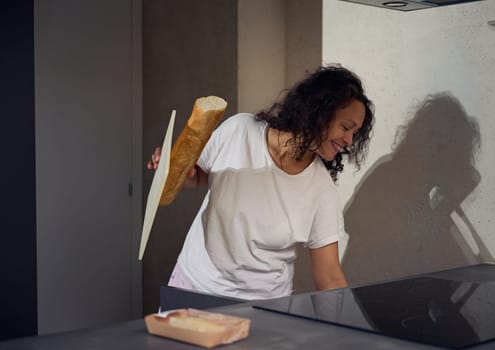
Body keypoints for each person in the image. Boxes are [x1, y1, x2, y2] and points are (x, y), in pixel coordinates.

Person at [147, 65, 375, 300]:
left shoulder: (321, 188)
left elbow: (329, 277)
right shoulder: (241, 130)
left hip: (263, 308)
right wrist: (175, 168)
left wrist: (349, 326)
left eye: (355, 133)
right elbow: (201, 174)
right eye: (346, 127)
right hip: (196, 285)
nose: (349, 140)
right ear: (319, 112)